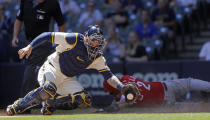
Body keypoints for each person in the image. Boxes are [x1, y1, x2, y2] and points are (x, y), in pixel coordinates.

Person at [6, 25, 139, 115]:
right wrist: (30, 46)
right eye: (93, 40)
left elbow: (109, 76)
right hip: (51, 68)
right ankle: (19, 106)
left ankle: (51, 103)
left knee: (85, 99)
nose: (96, 44)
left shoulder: (97, 57)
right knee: (49, 88)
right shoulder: (75, 39)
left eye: (98, 42)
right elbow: (48, 35)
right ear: (86, 37)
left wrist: (121, 87)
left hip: (67, 78)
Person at [11, 0, 66, 98]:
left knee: (31, 71)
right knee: (41, 73)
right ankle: (47, 102)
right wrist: (15, 36)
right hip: (29, 42)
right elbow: (19, 19)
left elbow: (61, 25)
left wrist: (58, 42)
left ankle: (24, 104)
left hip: (45, 43)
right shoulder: (25, 1)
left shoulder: (53, 3)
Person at [102, 75, 210, 112]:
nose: (112, 95)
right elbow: (118, 98)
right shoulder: (125, 78)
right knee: (189, 82)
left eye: (111, 92)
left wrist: (107, 110)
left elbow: (122, 102)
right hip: (166, 86)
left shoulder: (125, 95)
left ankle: (205, 106)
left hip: (165, 101)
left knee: (192, 108)